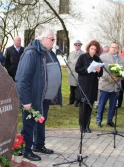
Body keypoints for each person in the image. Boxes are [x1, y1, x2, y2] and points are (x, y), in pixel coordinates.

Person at [15, 28, 62, 161]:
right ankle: (26, 150)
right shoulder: (31, 53)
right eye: (52, 39)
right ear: (43, 39)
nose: (54, 42)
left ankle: (39, 145)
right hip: (32, 98)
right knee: (29, 124)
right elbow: (21, 79)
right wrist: (26, 100)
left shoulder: (48, 52)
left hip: (44, 98)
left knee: (41, 122)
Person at [75, 40, 103, 133]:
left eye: (95, 49)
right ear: (88, 48)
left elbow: (101, 74)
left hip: (93, 86)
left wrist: (99, 70)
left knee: (90, 107)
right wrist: (88, 69)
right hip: (84, 85)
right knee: (83, 107)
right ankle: (82, 126)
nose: (93, 51)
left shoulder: (97, 59)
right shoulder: (82, 57)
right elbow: (77, 68)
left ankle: (87, 126)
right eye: (92, 49)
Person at [96, 42, 124, 127]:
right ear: (110, 48)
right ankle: (99, 120)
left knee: (113, 105)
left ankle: (110, 120)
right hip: (105, 85)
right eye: (112, 47)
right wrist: (109, 78)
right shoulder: (103, 57)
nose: (114, 49)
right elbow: (101, 71)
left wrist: (119, 77)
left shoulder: (121, 59)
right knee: (102, 104)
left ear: (118, 49)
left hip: (115, 86)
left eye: (116, 47)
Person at [67, 40, 85, 107]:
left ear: (81, 46)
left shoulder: (83, 54)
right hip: (71, 73)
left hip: (78, 73)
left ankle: (77, 102)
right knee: (72, 88)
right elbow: (68, 62)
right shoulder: (71, 53)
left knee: (78, 88)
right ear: (74, 45)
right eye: (76, 45)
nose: (77, 46)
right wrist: (69, 70)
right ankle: (71, 101)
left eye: (79, 45)